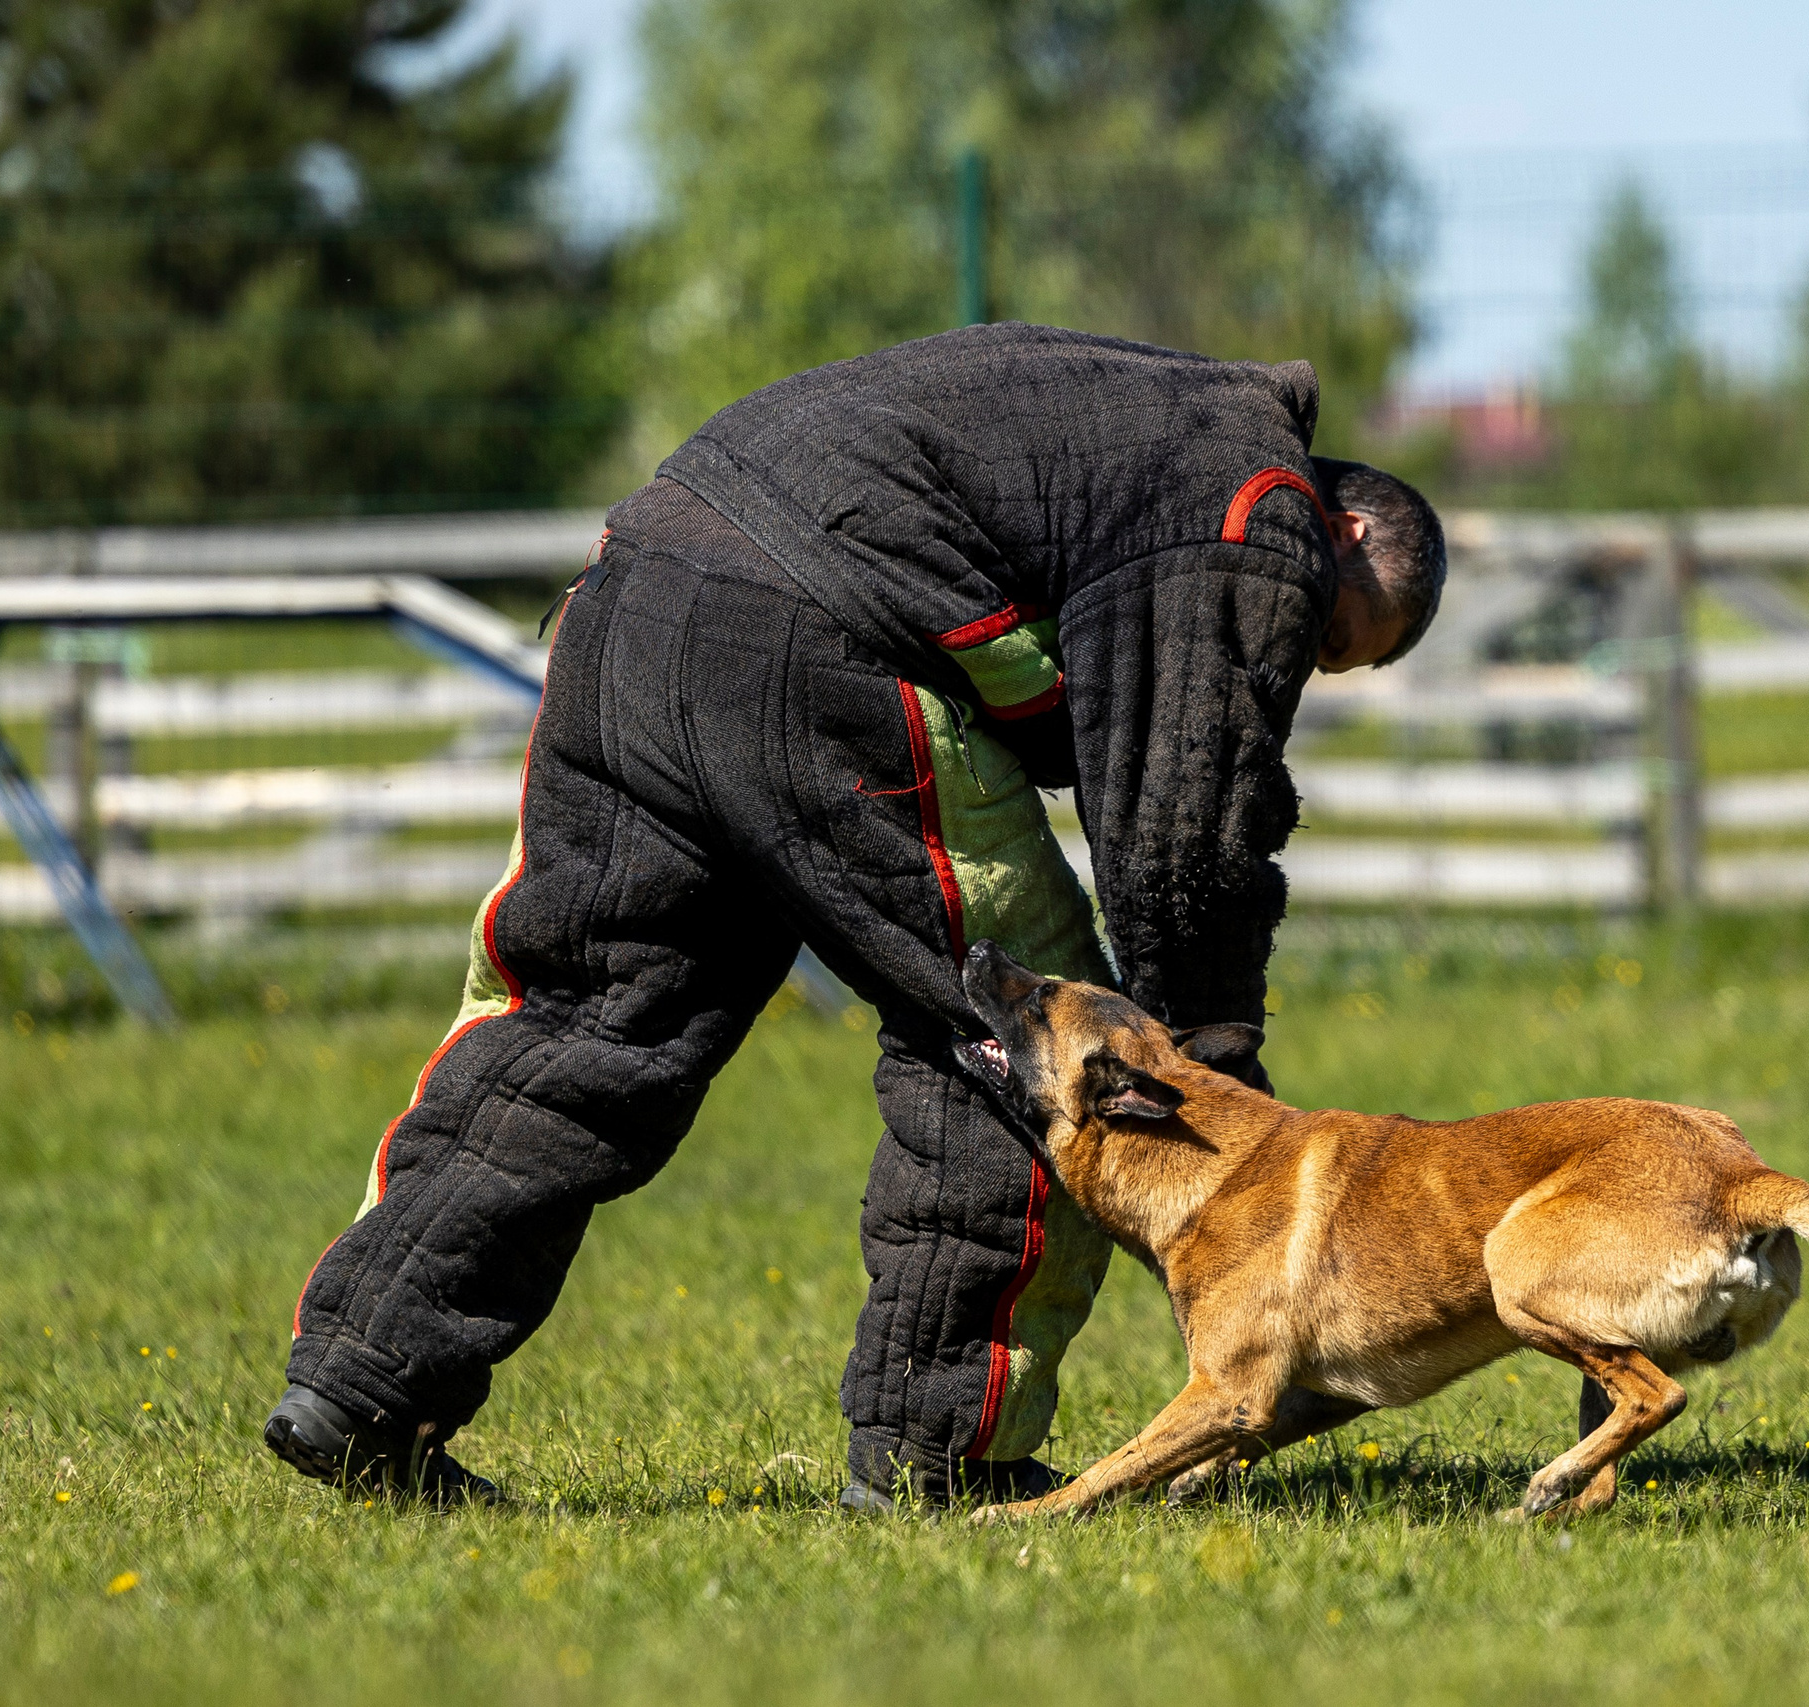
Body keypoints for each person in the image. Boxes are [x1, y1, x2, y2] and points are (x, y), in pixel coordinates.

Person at [262, 321, 1447, 1508]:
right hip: (815, 635)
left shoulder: (1145, 418)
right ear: (1343, 530)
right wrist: (1211, 1065)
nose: (1302, 663)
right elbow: (1191, 803)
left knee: (586, 1026)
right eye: (1330, 635)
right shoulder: (1254, 501)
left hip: (637, 587)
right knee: (1022, 1041)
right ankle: (940, 1452)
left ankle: (366, 1388)